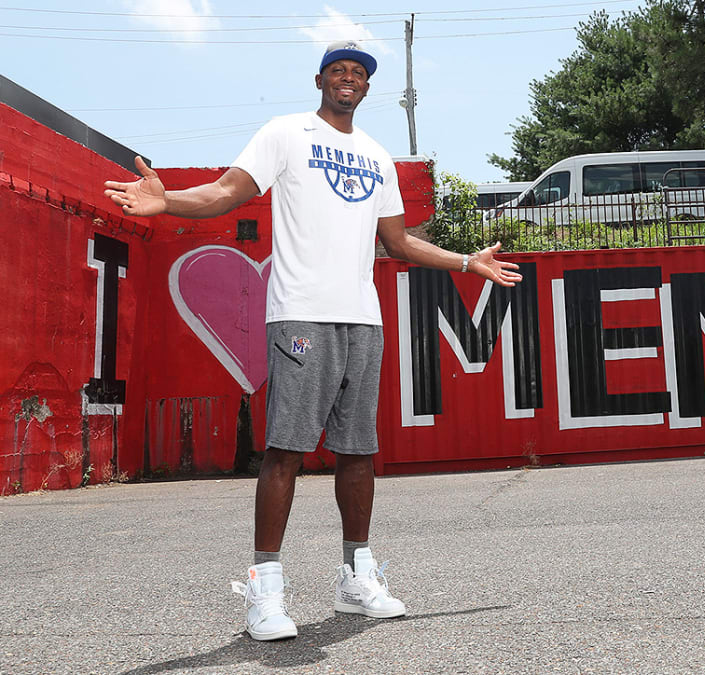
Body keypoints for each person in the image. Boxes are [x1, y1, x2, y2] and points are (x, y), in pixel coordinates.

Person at [104, 40, 522, 641]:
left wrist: (466, 262)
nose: (348, 78)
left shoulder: (377, 157)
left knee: (358, 452)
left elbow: (398, 243)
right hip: (300, 314)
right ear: (320, 79)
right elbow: (226, 192)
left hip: (362, 319)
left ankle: (356, 577)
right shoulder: (287, 133)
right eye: (338, 70)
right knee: (287, 450)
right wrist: (167, 201)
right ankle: (265, 591)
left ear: (367, 87)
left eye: (358, 72)